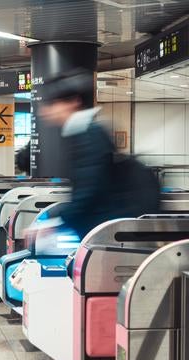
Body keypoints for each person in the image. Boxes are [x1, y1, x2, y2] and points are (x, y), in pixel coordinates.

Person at [38, 69, 160, 239]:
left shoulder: (88, 134)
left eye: (53, 104)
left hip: (108, 233)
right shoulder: (83, 131)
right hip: (106, 229)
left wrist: (55, 223)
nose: (46, 111)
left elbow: (90, 189)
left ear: (74, 102)